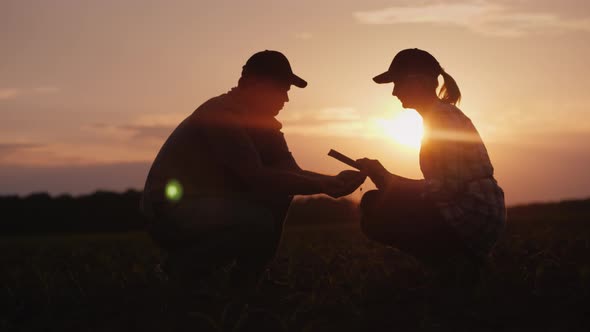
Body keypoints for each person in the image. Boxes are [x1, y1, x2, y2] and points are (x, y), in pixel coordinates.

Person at [140, 50, 365, 297]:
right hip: (168, 212)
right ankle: (180, 271)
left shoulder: (265, 125)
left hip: (208, 205)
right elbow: (255, 177)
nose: (286, 99)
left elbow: (291, 173)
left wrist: (331, 180)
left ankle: (247, 281)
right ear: (251, 84)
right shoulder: (220, 115)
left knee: (280, 195)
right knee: (258, 221)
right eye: (280, 88)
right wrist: (324, 185)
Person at [356, 48, 505, 280]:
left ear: (417, 82)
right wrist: (388, 180)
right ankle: (456, 266)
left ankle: (457, 266)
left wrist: (390, 181)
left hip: (473, 213)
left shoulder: (441, 119)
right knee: (379, 201)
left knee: (375, 208)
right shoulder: (439, 116)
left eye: (397, 83)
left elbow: (446, 188)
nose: (394, 92)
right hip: (474, 209)